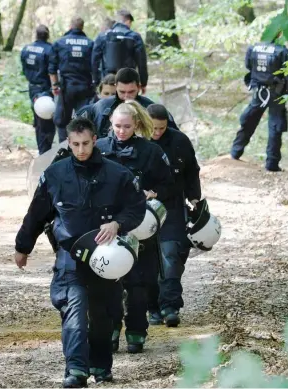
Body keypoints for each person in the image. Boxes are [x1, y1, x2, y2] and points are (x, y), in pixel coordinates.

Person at [15, 117, 146, 388]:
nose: (81, 149)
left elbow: (136, 208)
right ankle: (76, 369)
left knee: (104, 315)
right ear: (69, 142)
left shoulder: (117, 174)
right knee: (74, 311)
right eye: (75, 144)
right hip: (70, 257)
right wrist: (22, 246)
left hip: (106, 258)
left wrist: (117, 223)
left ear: (95, 140)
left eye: (86, 143)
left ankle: (100, 366)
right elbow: (37, 214)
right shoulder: (55, 174)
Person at [95, 100, 174, 354]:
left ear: (136, 125)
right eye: (117, 126)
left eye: (127, 126)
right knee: (108, 282)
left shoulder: (150, 151)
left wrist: (154, 193)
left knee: (139, 284)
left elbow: (168, 184)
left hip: (139, 226)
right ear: (110, 124)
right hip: (106, 227)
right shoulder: (99, 149)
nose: (121, 131)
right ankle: (111, 329)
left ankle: (137, 331)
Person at [146, 104, 201, 327]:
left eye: (161, 128)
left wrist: (195, 198)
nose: (157, 133)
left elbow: (191, 171)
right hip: (143, 208)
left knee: (172, 255)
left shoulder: (179, 141)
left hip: (173, 205)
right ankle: (153, 307)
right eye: (153, 128)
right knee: (147, 259)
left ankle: (170, 305)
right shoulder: (136, 141)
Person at [230, 34, 288, 172]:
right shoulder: (282, 51)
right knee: (275, 127)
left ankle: (235, 152)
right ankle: (272, 164)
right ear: (279, 34)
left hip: (259, 92)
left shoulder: (254, 48)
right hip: (277, 93)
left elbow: (248, 66)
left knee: (249, 120)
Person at [77, 67, 179, 137]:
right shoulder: (102, 107)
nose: (126, 96)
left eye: (131, 92)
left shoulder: (149, 108)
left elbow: (174, 136)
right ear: (116, 87)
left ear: (139, 87)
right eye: (122, 92)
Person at [49, 17, 95, 143]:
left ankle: (64, 146)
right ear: (82, 27)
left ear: (70, 26)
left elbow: (52, 68)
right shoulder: (90, 43)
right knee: (84, 121)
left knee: (62, 120)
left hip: (66, 88)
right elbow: (96, 67)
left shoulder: (60, 42)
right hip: (85, 87)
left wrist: (54, 86)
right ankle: (84, 145)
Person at [91, 9, 148, 92]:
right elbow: (141, 62)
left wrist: (96, 81)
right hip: (129, 82)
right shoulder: (135, 37)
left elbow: (94, 60)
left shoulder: (102, 36)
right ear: (128, 21)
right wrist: (143, 83)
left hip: (108, 81)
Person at [21, 25, 55, 155]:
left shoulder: (26, 49)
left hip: (32, 88)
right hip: (46, 89)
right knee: (47, 119)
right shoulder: (50, 49)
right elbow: (52, 70)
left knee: (38, 119)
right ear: (47, 35)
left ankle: (42, 151)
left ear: (36, 34)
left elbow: (24, 69)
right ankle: (45, 152)